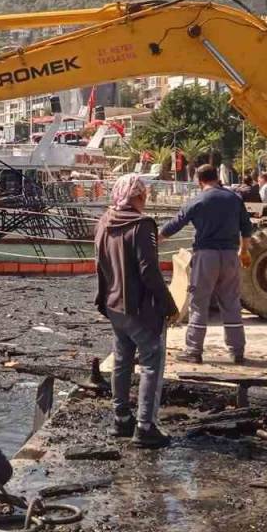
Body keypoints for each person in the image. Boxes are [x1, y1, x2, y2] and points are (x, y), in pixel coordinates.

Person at [95, 174, 178, 448]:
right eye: (144, 196)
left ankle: (121, 418)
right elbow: (149, 272)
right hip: (140, 309)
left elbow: (99, 263)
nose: (145, 201)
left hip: (114, 304)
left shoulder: (105, 221)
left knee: (122, 360)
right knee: (152, 363)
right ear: (138, 197)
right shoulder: (141, 225)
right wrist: (169, 305)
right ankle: (145, 426)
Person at [161, 164, 254, 364]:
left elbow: (174, 225)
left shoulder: (198, 200)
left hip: (206, 256)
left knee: (199, 303)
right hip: (230, 256)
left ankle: (194, 350)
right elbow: (247, 228)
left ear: (198, 180)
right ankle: (237, 351)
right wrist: (243, 251)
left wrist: (152, 240)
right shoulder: (234, 199)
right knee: (231, 302)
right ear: (216, 178)